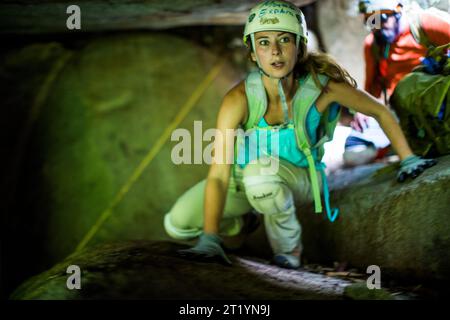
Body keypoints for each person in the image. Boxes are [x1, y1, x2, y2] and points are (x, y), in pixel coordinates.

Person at [163, 0, 436, 269]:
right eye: (264, 42)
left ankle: (288, 249)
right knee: (177, 224)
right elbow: (219, 175)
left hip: (300, 177)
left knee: (261, 176)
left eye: (285, 40)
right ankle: (244, 222)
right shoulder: (238, 99)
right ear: (252, 52)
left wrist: (408, 158)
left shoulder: (322, 87)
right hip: (246, 177)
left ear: (300, 45)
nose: (275, 52)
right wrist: (209, 238)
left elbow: (380, 111)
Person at [342, 0, 450, 166]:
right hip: (399, 111)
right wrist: (361, 109)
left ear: (398, 10)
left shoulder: (425, 23)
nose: (376, 27)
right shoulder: (374, 44)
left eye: (380, 19)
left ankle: (408, 141)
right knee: (353, 154)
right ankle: (400, 142)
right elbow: (372, 90)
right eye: (370, 22)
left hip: (435, 98)